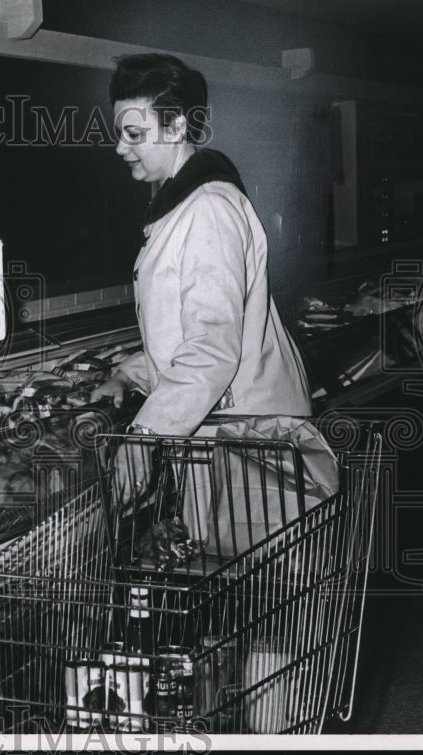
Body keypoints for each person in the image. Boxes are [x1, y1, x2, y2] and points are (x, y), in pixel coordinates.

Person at [89, 54, 312, 503]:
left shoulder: (208, 209)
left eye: (134, 134)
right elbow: (185, 333)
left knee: (246, 568)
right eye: (120, 134)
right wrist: (128, 375)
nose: (120, 148)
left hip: (248, 442)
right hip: (228, 433)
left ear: (175, 129)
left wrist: (144, 436)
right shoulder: (186, 203)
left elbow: (211, 347)